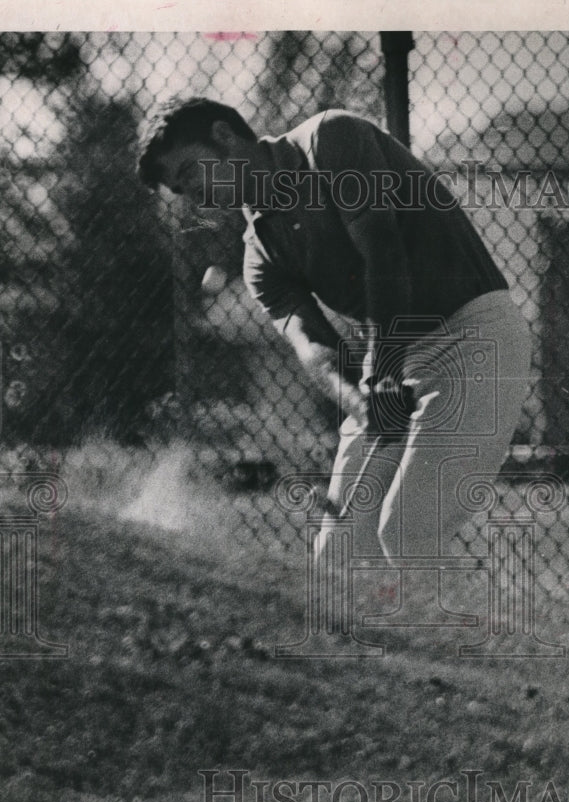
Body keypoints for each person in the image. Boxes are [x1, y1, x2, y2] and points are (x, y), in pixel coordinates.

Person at [138, 97, 532, 571]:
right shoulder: (259, 257)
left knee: (408, 531)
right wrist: (359, 399)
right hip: (394, 365)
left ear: (224, 137)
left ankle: (479, 636)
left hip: (475, 341)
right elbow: (315, 348)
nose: (196, 197)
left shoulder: (331, 139)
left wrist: (382, 377)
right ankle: (408, 643)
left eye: (192, 172)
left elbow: (384, 256)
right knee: (338, 559)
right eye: (183, 190)